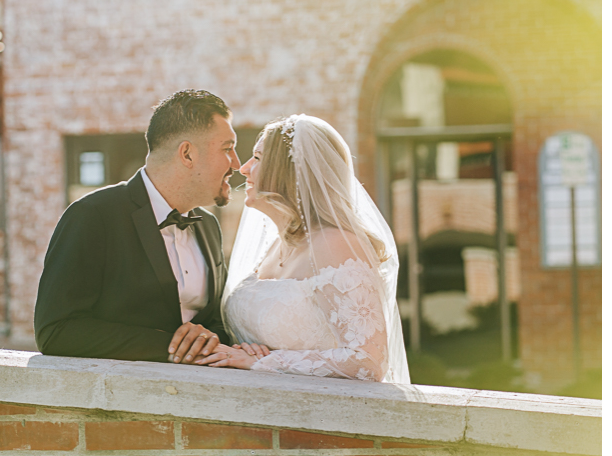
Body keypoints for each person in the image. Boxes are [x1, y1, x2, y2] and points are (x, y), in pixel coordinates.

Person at [197, 114, 409, 382]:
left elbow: (369, 361)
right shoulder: (274, 246)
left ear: (287, 171)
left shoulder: (336, 245)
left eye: (258, 158)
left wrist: (265, 362)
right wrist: (246, 350)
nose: (245, 168)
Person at [34, 90, 239, 364]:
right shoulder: (92, 215)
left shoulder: (209, 225)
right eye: (227, 148)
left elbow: (216, 321)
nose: (236, 163)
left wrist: (210, 338)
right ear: (187, 154)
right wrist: (172, 347)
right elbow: (55, 331)